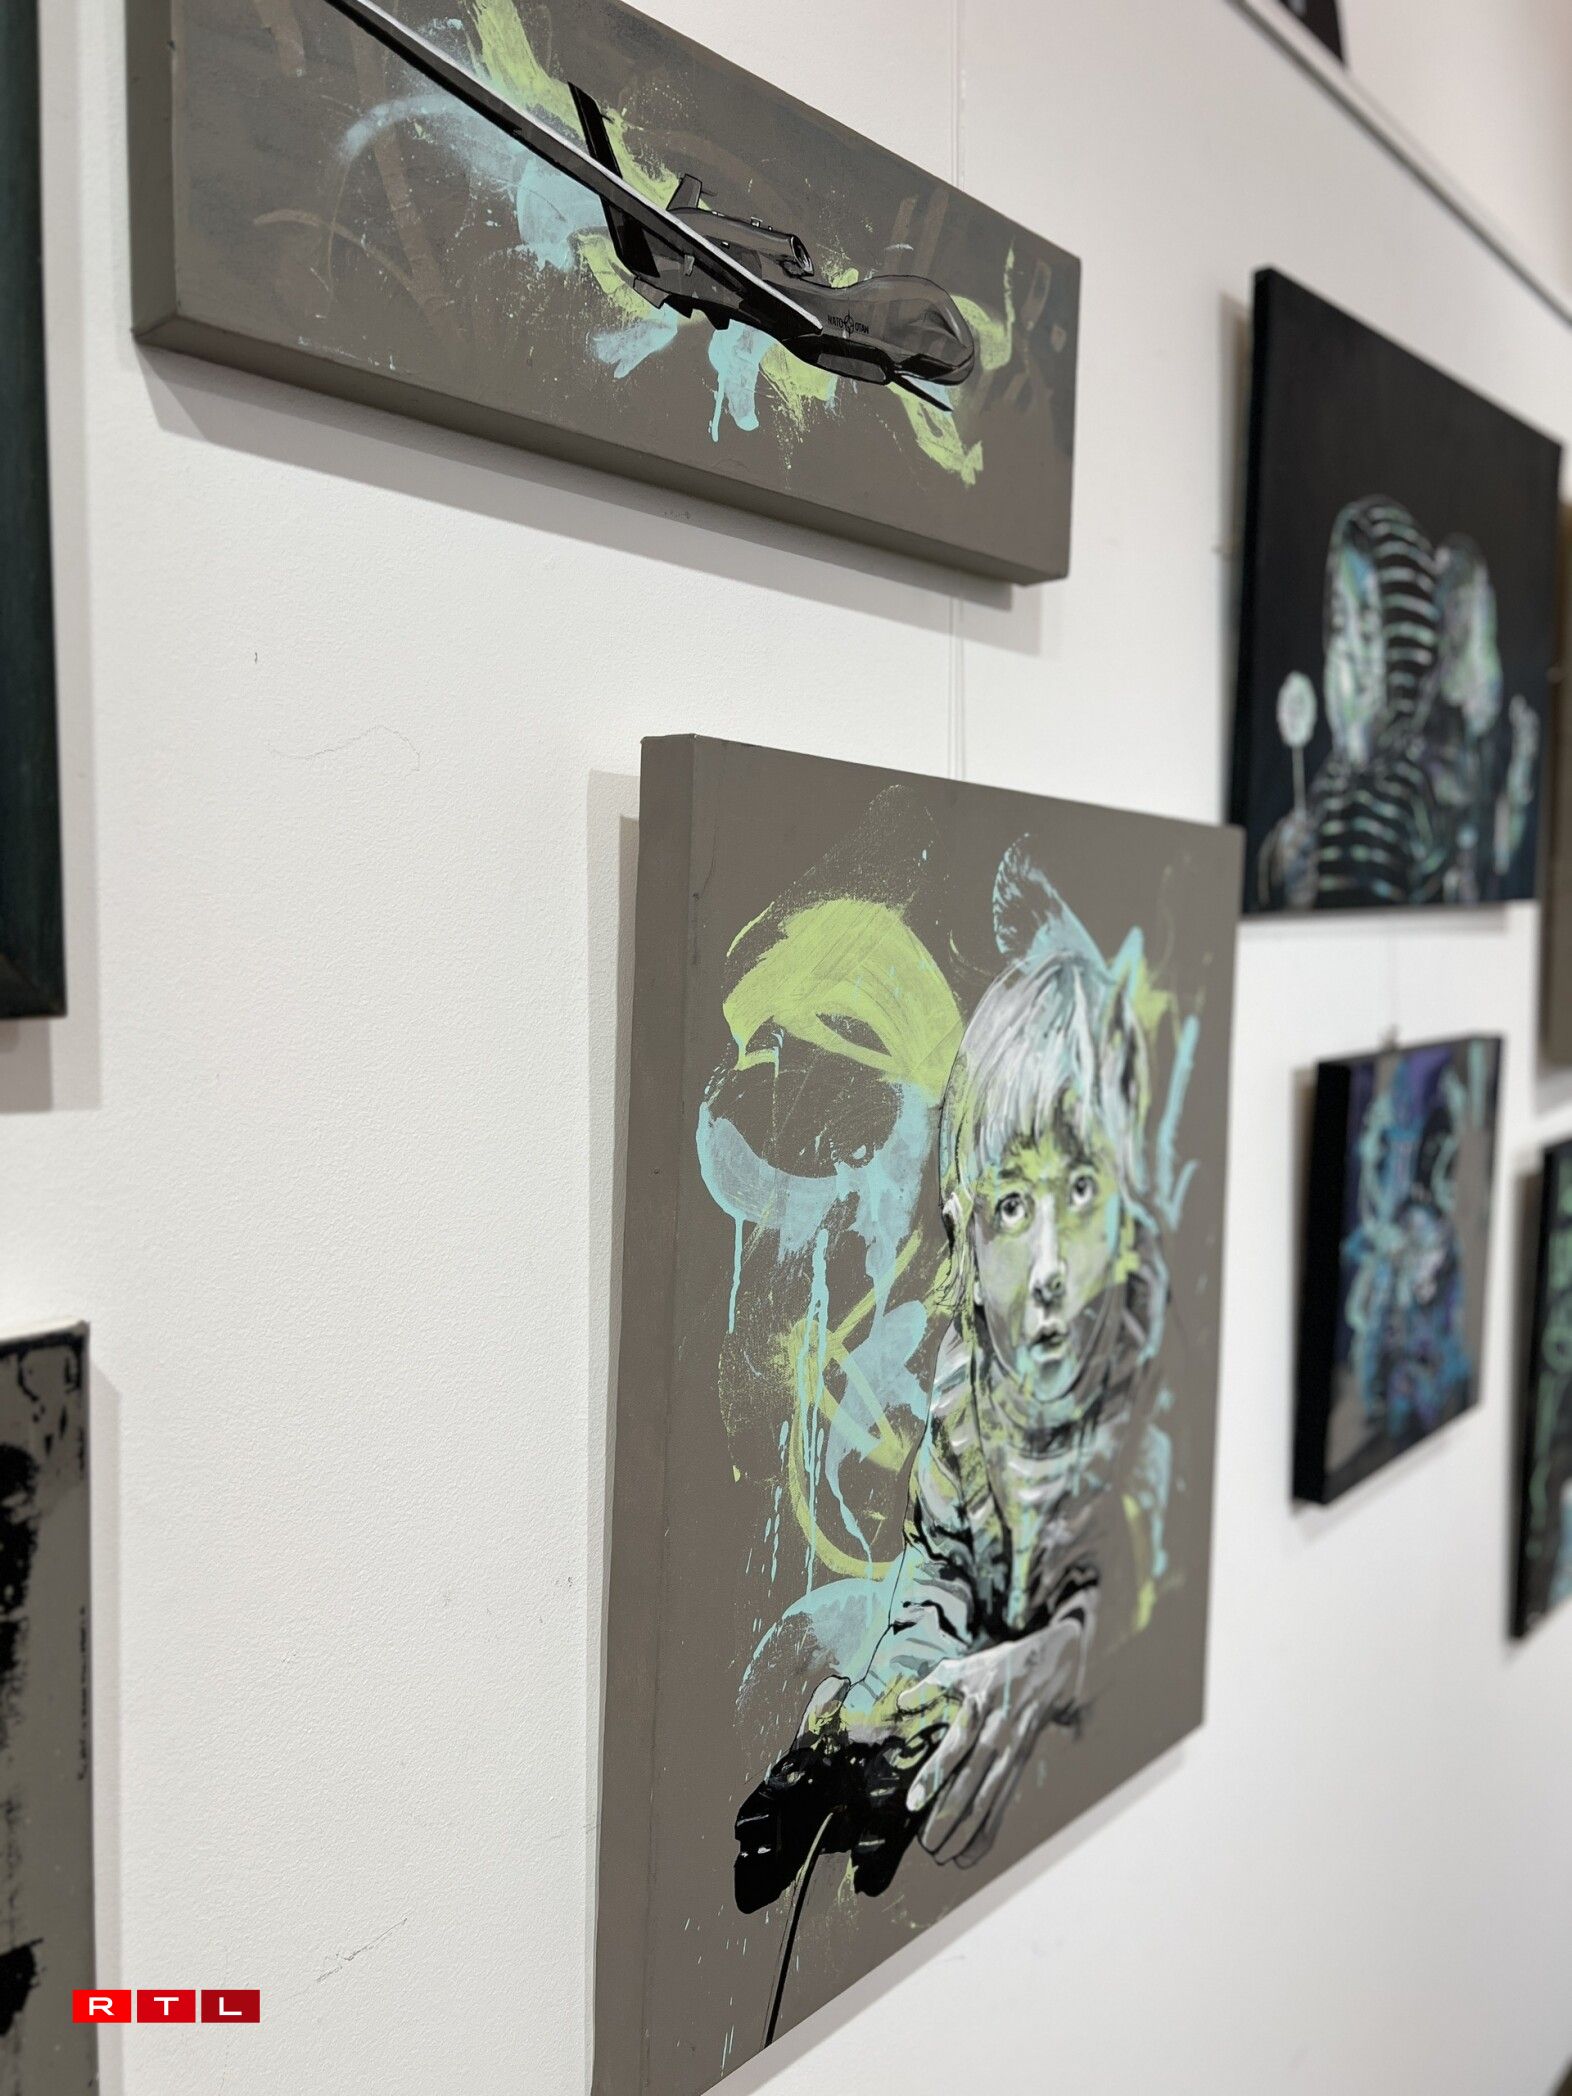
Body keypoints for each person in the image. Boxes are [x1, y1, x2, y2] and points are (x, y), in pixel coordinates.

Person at [736, 898, 1172, 1903]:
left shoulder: (1142, 1370)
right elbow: (939, 1580)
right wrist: (889, 1702)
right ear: (963, 1239)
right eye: (1014, 1207)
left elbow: (1135, 1574)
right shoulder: (967, 1396)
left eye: (1080, 1192)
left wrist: (1052, 1660)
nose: (1051, 1265)